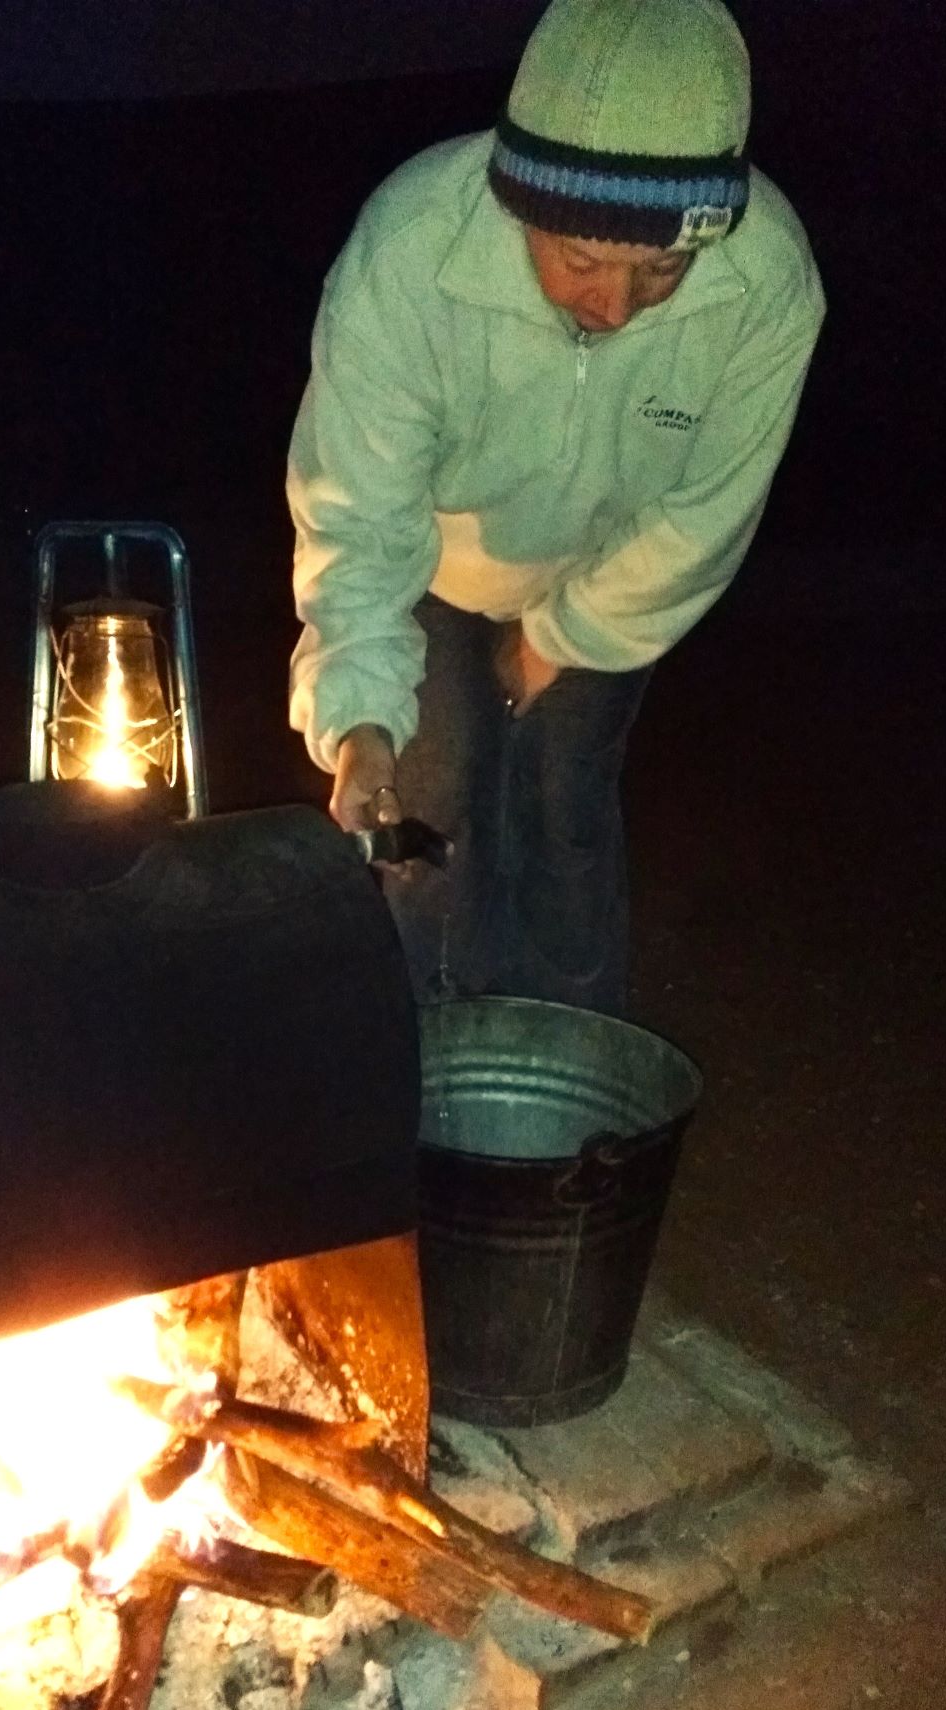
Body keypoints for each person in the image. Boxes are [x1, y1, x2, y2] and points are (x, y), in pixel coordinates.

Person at [287, 0, 824, 1015]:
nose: (614, 307)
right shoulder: (411, 251)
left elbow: (704, 517)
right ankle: (428, 1050)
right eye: (580, 260)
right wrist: (357, 717)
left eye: (661, 268)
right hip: (432, 562)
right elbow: (356, 512)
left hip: (610, 576)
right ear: (518, 204)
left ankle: (572, 1052)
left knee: (564, 798)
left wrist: (563, 637)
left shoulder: (766, 285)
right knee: (427, 806)